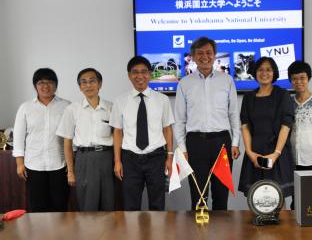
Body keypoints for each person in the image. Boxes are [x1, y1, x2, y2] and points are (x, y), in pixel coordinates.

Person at [174, 37, 241, 210]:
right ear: (193, 57)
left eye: (209, 52)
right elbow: (180, 119)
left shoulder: (227, 80)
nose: (205, 56)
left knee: (221, 194)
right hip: (195, 144)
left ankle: (221, 233)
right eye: (200, 53)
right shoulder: (184, 83)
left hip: (222, 143)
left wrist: (235, 143)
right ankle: (199, 234)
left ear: (214, 55)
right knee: (198, 195)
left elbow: (234, 114)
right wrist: (183, 148)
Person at [110, 56, 174, 211]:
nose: (140, 76)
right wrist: (117, 161)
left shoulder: (162, 100)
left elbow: (167, 129)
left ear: (150, 74)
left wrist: (169, 157)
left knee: (157, 204)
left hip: (156, 157)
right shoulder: (120, 101)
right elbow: (118, 132)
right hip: (130, 159)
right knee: (130, 205)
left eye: (144, 72)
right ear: (129, 75)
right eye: (135, 72)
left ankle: (157, 235)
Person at [56, 68, 114, 211]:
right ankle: (89, 234)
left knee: (109, 204)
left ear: (99, 84)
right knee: (88, 205)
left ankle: (109, 234)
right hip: (84, 159)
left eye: (92, 81)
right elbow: (67, 143)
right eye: (84, 82)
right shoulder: (72, 110)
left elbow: (119, 137)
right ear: (80, 87)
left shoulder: (111, 108)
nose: (88, 85)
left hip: (107, 158)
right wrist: (70, 171)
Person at [13, 68, 70, 212]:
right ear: (35, 86)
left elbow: (71, 137)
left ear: (56, 85)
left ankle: (60, 235)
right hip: (34, 165)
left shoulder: (67, 106)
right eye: (41, 82)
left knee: (60, 205)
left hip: (59, 164)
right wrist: (20, 164)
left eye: (50, 82)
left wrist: (71, 164)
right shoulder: (25, 108)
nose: (45, 86)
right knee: (38, 207)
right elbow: (19, 137)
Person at [238, 57, 295, 199]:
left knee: (277, 199)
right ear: (255, 73)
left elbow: (286, 126)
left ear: (274, 73)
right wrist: (250, 153)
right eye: (261, 69)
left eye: (268, 69)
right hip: (254, 155)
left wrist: (275, 154)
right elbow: (244, 126)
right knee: (255, 199)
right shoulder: (248, 97)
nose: (264, 73)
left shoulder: (283, 95)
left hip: (277, 154)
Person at [287, 61, 312, 209]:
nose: (299, 82)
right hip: (294, 159)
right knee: (297, 200)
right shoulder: (288, 102)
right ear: (291, 80)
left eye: (302, 78)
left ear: (308, 78)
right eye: (294, 78)